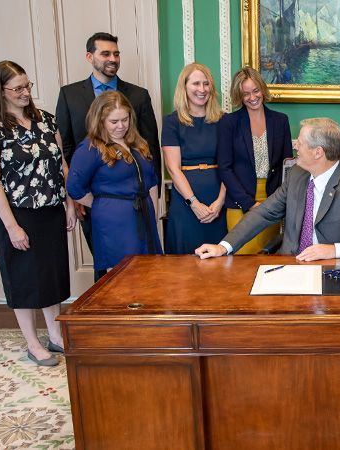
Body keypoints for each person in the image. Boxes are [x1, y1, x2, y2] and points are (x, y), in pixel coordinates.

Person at [0, 61, 77, 366]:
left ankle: (55, 336)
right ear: (0, 91)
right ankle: (32, 343)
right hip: (18, 214)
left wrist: (68, 204)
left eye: (27, 86)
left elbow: (62, 167)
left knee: (52, 276)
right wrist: (12, 227)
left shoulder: (46, 120)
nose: (25, 93)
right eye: (17, 88)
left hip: (51, 210)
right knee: (25, 279)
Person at [196, 118, 340, 260]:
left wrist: (333, 250)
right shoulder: (296, 176)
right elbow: (263, 214)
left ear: (318, 152)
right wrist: (223, 247)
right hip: (289, 266)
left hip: (332, 273)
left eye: (300, 144)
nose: (295, 148)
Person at [56, 32, 161, 266]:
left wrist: (152, 208)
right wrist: (94, 202)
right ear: (89, 56)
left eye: (116, 53)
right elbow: (66, 149)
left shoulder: (138, 96)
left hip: (141, 210)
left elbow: (151, 154)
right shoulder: (69, 96)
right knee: (114, 274)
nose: (112, 58)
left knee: (147, 272)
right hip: (105, 211)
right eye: (105, 53)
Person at [67, 91, 162, 277]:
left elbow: (151, 182)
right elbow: (74, 187)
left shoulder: (138, 143)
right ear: (100, 120)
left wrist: (154, 216)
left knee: (149, 273)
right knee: (122, 276)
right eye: (114, 122)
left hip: (144, 216)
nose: (121, 126)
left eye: (125, 120)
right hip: (114, 221)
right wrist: (101, 203)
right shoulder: (90, 148)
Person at [217, 66, 291, 254]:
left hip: (272, 202)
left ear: (262, 89)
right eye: (246, 94)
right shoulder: (229, 122)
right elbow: (224, 168)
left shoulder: (280, 120)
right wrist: (248, 203)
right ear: (239, 96)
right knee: (243, 261)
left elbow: (287, 166)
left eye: (255, 91)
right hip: (240, 203)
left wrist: (280, 203)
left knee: (269, 258)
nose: (252, 97)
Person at [162, 63, 227, 254]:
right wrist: (195, 203)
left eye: (206, 84)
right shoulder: (172, 122)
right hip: (185, 204)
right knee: (186, 265)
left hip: (218, 203)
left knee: (221, 264)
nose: (202, 89)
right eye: (196, 84)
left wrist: (220, 201)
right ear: (184, 87)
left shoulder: (224, 120)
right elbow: (173, 169)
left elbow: (229, 165)